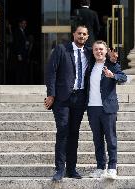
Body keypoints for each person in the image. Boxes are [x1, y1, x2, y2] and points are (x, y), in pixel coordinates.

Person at [44, 26, 118, 182]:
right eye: (79, 33)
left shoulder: (89, 52)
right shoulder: (61, 49)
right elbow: (51, 72)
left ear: (87, 36)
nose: (82, 36)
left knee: (74, 133)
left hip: (80, 99)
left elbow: (103, 58)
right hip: (62, 99)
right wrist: (51, 94)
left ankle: (71, 169)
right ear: (74, 34)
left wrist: (112, 59)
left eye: (84, 34)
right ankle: (59, 169)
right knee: (63, 131)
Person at [87, 40, 127, 179]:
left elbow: (123, 78)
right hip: (92, 108)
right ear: (93, 52)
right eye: (96, 49)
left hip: (108, 108)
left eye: (101, 49)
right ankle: (100, 167)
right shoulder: (89, 66)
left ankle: (112, 167)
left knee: (111, 139)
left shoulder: (112, 64)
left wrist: (113, 75)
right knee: (97, 140)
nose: (99, 51)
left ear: (106, 51)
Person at [13, 19, 33, 84]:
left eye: (25, 23)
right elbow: (16, 43)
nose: (25, 25)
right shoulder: (17, 31)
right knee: (19, 69)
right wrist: (18, 54)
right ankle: (18, 83)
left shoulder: (24, 32)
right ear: (20, 24)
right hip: (20, 54)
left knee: (24, 69)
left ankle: (23, 82)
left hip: (24, 54)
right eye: (23, 23)